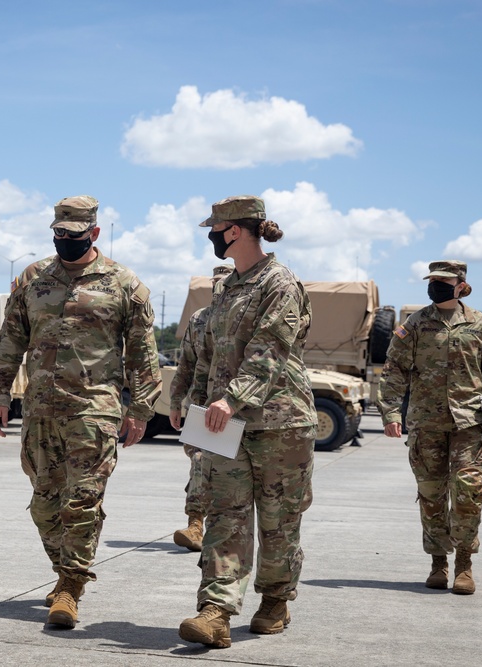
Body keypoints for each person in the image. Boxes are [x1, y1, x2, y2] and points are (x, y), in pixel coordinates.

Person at [0, 195, 162, 629]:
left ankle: (70, 584)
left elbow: (142, 352)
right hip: (41, 409)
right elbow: (10, 339)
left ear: (94, 233)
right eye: (58, 233)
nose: (65, 240)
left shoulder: (123, 283)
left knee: (81, 501)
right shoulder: (33, 277)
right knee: (45, 506)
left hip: (94, 410)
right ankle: (63, 568)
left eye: (74, 235)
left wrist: (139, 408)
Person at [178, 195, 316, 649]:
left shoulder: (280, 283)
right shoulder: (227, 288)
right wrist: (196, 407)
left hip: (279, 423)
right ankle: (215, 610)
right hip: (225, 424)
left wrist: (233, 400)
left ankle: (275, 600)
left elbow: (271, 348)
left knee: (279, 521)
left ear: (234, 231)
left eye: (214, 230)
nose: (212, 238)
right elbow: (210, 358)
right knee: (225, 516)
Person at [377, 260, 482, 595]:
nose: (435, 284)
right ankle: (438, 562)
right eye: (432, 280)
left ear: (460, 286)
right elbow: (394, 369)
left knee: (468, 490)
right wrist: (391, 414)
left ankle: (464, 564)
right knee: (431, 493)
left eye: (443, 280)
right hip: (426, 421)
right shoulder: (415, 324)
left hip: (469, 421)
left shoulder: (480, 324)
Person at [168, 265, 233, 552]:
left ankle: (229, 529)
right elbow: (186, 364)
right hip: (201, 405)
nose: (218, 289)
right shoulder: (198, 320)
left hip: (237, 406)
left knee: (231, 472)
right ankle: (195, 525)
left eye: (224, 283)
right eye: (215, 284)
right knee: (199, 463)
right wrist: (175, 402)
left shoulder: (243, 319)